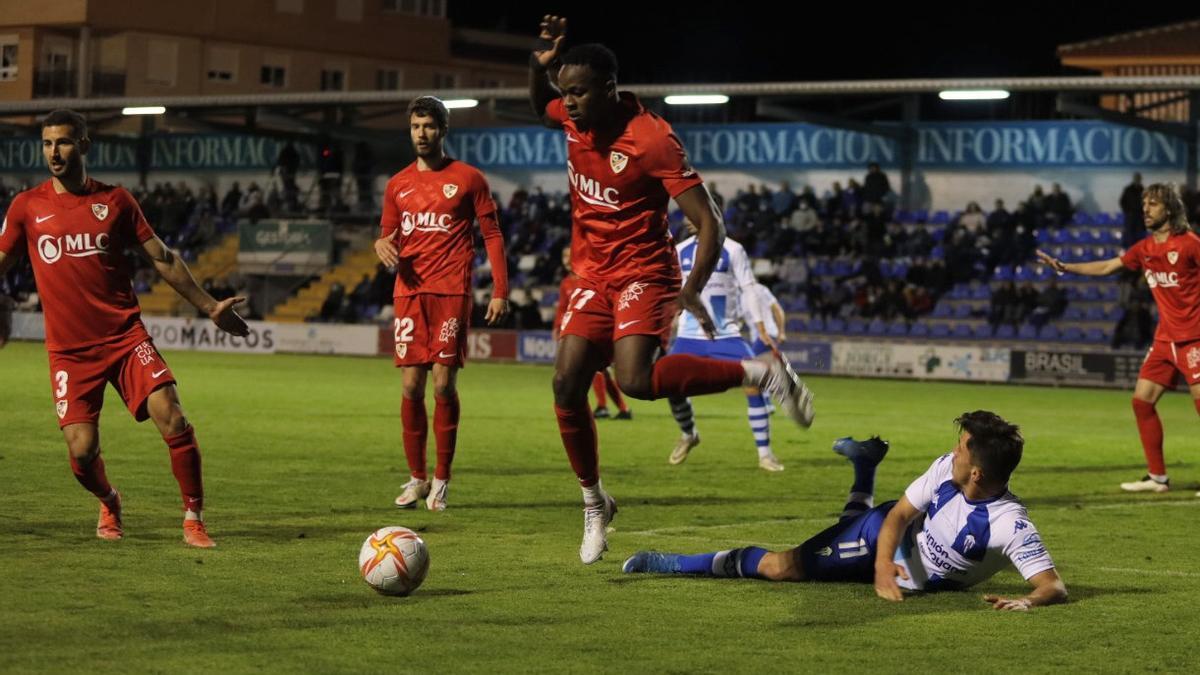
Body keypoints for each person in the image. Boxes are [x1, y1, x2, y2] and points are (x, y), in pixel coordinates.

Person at [530, 15, 814, 564]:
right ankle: (595, 504)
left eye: (579, 93)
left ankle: (760, 371)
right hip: (591, 274)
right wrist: (535, 67)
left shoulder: (653, 138)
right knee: (566, 384)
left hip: (644, 272)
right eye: (564, 94)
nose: (569, 104)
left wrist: (691, 290)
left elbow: (710, 223)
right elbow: (534, 106)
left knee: (634, 380)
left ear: (611, 88)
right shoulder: (570, 117)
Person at [0, 109, 249, 547]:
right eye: (47, 143)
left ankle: (193, 518)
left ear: (84, 145)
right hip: (70, 352)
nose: (54, 152)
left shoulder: (115, 202)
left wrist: (209, 306)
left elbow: (163, 258)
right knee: (80, 451)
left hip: (124, 337)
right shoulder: (27, 207)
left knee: (172, 416)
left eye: (63, 142)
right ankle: (110, 500)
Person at [624, 411, 1068, 611]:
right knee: (784, 567)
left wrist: (1026, 601)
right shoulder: (945, 472)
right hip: (886, 540)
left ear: (976, 473)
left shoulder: (1009, 523)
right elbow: (895, 518)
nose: (952, 452)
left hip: (904, 570)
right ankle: (668, 562)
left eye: (960, 449)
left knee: (840, 536)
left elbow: (1052, 586)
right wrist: (880, 567)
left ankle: (863, 466)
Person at [375, 96, 510, 512]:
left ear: (443, 130)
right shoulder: (397, 184)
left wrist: (500, 289)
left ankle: (441, 479)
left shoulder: (468, 179)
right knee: (411, 386)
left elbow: (492, 235)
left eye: (429, 126)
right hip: (409, 294)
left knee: (443, 385)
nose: (422, 133)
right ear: (410, 130)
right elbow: (387, 235)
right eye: (416, 126)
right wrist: (380, 243)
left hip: (451, 292)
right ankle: (416, 478)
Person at [1036, 183, 1200, 497]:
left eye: (1153, 204)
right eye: (1144, 205)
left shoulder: (1190, 244)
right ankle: (1157, 478)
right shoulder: (1145, 248)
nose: (1146, 210)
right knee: (1142, 402)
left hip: (1195, 338)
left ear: (1169, 208)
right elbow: (1109, 265)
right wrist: (1066, 267)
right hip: (1165, 340)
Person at [665, 220, 783, 471]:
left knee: (754, 381)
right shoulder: (681, 249)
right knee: (669, 385)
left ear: (710, 214)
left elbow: (750, 290)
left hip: (726, 334)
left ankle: (765, 454)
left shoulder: (733, 249)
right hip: (689, 335)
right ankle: (689, 434)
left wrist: (760, 327)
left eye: (692, 212)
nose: (687, 219)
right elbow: (672, 289)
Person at [554, 247, 631, 421]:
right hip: (574, 329)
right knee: (602, 371)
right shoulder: (566, 283)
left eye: (569, 255)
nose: (565, 259)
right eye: (563, 256)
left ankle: (604, 406)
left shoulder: (589, 279)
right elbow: (562, 308)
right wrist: (558, 327)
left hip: (596, 329)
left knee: (594, 368)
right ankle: (623, 408)